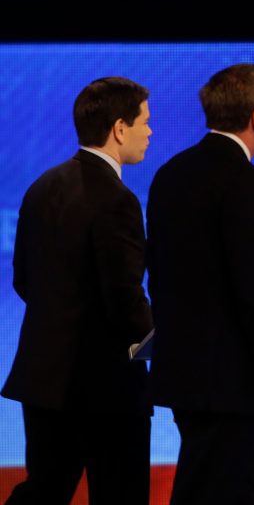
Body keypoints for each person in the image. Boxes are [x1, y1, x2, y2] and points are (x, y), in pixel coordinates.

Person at [146, 64, 254, 505]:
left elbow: (158, 272)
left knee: (201, 484)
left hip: (182, 372)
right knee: (235, 489)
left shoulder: (170, 173)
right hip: (227, 378)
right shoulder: (245, 181)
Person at [1, 77, 154, 505]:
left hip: (44, 379)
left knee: (44, 491)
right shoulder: (117, 199)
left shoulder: (42, 187)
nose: (150, 132)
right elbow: (123, 296)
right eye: (145, 121)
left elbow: (22, 279)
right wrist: (157, 339)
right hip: (106, 388)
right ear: (120, 129)